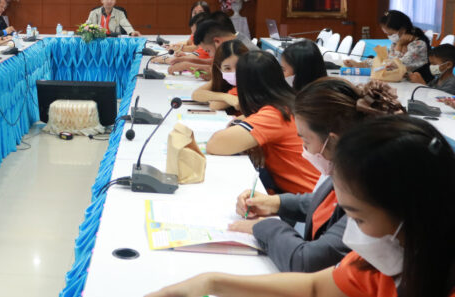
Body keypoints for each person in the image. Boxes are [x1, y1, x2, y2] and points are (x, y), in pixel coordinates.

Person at [146, 115, 455, 297]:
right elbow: (314, 288)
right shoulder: (385, 264)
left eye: (358, 219)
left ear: (415, 213)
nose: (351, 234)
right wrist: (210, 282)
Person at [228, 78, 404, 273]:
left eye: (306, 141)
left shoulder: (368, 191)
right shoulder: (348, 168)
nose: (304, 150)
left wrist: (265, 227)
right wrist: (274, 203)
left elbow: (308, 261)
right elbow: (326, 203)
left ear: (333, 140)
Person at [206, 51, 320, 195]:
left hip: (309, 200)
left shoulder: (275, 114)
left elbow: (216, 144)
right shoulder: (288, 102)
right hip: (310, 192)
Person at [344, 10, 429, 73]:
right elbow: (384, 62)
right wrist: (360, 64)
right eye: (387, 34)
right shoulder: (396, 43)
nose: (389, 36)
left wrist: (399, 46)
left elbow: (392, 66)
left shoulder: (419, 45)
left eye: (390, 34)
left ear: (403, 29)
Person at [191, 40, 248, 112]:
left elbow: (215, 105)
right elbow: (196, 94)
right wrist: (225, 97)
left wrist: (215, 97)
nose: (234, 72)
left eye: (238, 66)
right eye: (227, 68)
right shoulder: (221, 78)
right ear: (219, 68)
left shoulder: (249, 81)